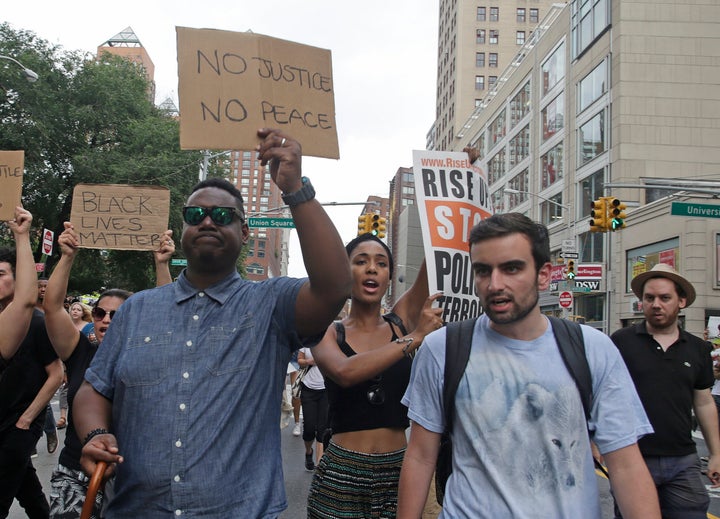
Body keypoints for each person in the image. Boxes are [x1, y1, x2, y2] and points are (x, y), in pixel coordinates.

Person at [73, 128, 352, 518]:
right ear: (183, 228)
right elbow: (94, 390)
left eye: (222, 215)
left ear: (245, 231)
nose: (207, 221)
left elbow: (336, 285)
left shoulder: (270, 305)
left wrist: (296, 189)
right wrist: (96, 434)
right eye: (195, 215)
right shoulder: (135, 310)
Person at [397, 213, 660, 519]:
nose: (495, 284)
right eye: (483, 271)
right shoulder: (441, 349)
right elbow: (419, 456)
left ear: (544, 275)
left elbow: (626, 465)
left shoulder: (593, 349)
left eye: (511, 268)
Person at [307, 233, 443, 518]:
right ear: (346, 272)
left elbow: (434, 261)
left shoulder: (400, 321)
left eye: (381, 264)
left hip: (399, 472)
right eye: (361, 261)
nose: (372, 268)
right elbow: (345, 372)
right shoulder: (325, 330)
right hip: (341, 475)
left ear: (390, 276)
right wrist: (414, 337)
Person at [44, 223, 174, 519]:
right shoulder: (79, 352)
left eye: (117, 315)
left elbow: (170, 316)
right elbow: (52, 307)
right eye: (100, 313)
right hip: (75, 476)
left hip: (132, 480)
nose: (106, 320)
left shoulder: (148, 358)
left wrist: (161, 264)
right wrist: (67, 256)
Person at [611, 263, 720, 518]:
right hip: (633, 459)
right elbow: (605, 396)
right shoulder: (620, 342)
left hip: (684, 461)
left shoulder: (697, 349)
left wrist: (716, 453)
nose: (656, 304)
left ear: (681, 301)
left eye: (664, 298)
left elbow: (703, 403)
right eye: (649, 298)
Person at [0, 206, 64, 518]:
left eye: (0, 274)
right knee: (24, 482)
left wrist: (27, 419)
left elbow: (56, 374)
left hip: (17, 423)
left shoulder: (34, 324)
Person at [297, 342, 328, 471]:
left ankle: (319, 462)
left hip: (326, 389)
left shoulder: (330, 340)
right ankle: (308, 451)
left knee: (322, 428)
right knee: (309, 427)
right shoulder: (307, 342)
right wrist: (309, 361)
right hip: (308, 388)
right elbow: (299, 361)